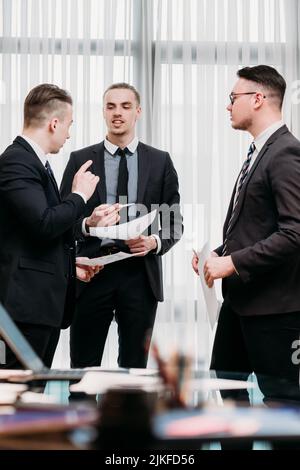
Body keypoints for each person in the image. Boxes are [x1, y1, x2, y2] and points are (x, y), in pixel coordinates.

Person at [192, 65, 300, 406]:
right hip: (239, 304)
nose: (228, 106)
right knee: (227, 386)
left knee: (282, 401)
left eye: (232, 98)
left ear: (258, 99)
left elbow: (295, 231)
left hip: (275, 309)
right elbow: (257, 225)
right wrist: (218, 255)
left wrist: (233, 263)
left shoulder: (286, 152)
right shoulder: (259, 151)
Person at [61, 82, 183, 369]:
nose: (118, 113)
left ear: (137, 111)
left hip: (140, 277)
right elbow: (64, 219)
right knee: (82, 370)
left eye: (126, 106)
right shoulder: (81, 160)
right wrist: (87, 224)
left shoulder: (160, 161)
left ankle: (129, 417)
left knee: (134, 372)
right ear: (103, 112)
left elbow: (174, 221)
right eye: (111, 106)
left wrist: (154, 242)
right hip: (92, 274)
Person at [0, 83, 118, 369]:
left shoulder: (36, 163)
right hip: (22, 312)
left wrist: (87, 225)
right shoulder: (17, 161)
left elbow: (38, 230)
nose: (69, 133)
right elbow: (43, 223)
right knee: (18, 400)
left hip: (37, 309)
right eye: (68, 124)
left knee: (31, 398)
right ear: (54, 123)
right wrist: (79, 196)